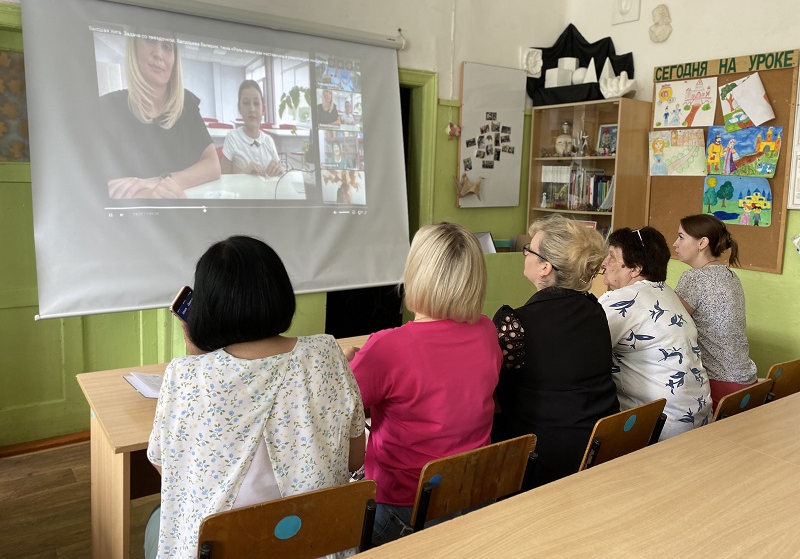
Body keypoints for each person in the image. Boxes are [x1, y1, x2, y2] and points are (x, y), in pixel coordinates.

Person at [145, 236, 365, 559]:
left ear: (207, 309)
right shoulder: (326, 354)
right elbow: (355, 461)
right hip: (316, 545)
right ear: (279, 293)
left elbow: (175, 473)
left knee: (154, 521)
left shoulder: (183, 376)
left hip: (218, 550)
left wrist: (198, 356)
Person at [344, 222, 502, 545]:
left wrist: (344, 367)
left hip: (404, 512)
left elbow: (339, 407)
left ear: (415, 272)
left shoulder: (387, 347)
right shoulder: (487, 332)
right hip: (473, 498)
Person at [492, 214, 619, 487]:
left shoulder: (514, 324)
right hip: (598, 447)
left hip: (542, 458)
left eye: (529, 250)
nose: (524, 254)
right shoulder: (594, 309)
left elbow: (487, 385)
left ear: (545, 267)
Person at [598, 227, 712, 439]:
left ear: (635, 269)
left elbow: (583, 354)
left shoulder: (620, 300)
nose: (604, 263)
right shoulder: (668, 293)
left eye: (612, 257)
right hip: (699, 417)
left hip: (661, 427)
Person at [102, 35, 221, 199]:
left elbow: (213, 165)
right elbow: (100, 185)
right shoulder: (108, 108)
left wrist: (155, 182)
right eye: (150, 40)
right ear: (133, 47)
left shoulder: (186, 103)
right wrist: (146, 195)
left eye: (167, 47)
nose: (159, 54)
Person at [673, 214, 757, 407]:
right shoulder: (730, 275)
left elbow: (672, 324)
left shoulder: (694, 278)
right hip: (747, 380)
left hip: (720, 384)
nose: (675, 244)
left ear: (702, 243)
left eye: (681, 237)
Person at [222, 80, 285, 177]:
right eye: (246, 103)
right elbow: (223, 179)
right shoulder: (232, 137)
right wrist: (245, 173)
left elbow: (278, 171)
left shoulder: (269, 141)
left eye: (256, 103)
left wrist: (279, 170)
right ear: (239, 108)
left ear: (263, 110)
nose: (252, 109)